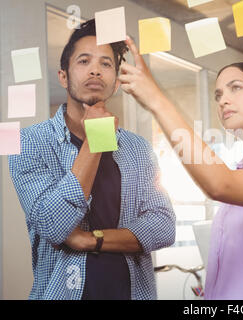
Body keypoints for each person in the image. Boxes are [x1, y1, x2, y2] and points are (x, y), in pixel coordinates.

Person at [118, 36, 243, 299]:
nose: (222, 100)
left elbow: (219, 184)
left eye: (235, 88)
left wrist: (157, 100)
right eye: (219, 94)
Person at [8, 19, 176, 300]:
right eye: (84, 61)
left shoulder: (139, 148)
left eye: (106, 64)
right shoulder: (28, 143)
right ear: (63, 76)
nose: (95, 69)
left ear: (116, 83)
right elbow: (53, 224)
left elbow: (163, 226)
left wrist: (91, 240)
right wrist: (96, 140)